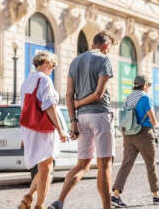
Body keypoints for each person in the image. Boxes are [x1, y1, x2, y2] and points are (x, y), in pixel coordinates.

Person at [49, 31, 116, 209]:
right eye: (109, 49)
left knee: (82, 164)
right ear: (106, 46)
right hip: (100, 115)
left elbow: (68, 94)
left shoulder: (75, 61)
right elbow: (98, 94)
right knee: (104, 165)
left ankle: (60, 201)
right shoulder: (104, 60)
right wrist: (80, 103)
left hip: (82, 118)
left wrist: (73, 120)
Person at [111, 75, 159, 207]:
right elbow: (153, 119)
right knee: (151, 164)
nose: (148, 88)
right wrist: (156, 125)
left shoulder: (129, 97)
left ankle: (116, 195)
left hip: (129, 134)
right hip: (143, 134)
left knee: (126, 164)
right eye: (148, 85)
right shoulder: (145, 97)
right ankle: (156, 196)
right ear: (144, 85)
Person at [18, 52, 68, 209]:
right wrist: (60, 130)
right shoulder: (45, 79)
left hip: (30, 128)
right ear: (46, 63)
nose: (53, 69)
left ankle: (28, 198)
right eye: (53, 65)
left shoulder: (27, 80)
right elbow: (49, 106)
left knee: (43, 165)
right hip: (43, 128)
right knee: (47, 167)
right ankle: (39, 206)